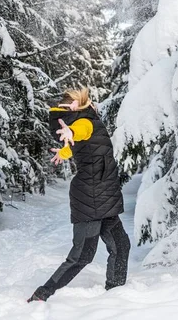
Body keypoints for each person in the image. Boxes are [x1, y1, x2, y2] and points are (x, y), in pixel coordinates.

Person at [27, 88, 130, 302]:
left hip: (103, 196)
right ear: (74, 107)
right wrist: (70, 133)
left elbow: (81, 145)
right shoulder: (84, 122)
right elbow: (79, 132)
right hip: (91, 198)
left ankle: (116, 293)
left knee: (121, 246)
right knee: (82, 255)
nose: (89, 102)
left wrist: (65, 151)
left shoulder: (89, 120)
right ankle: (43, 293)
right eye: (79, 101)